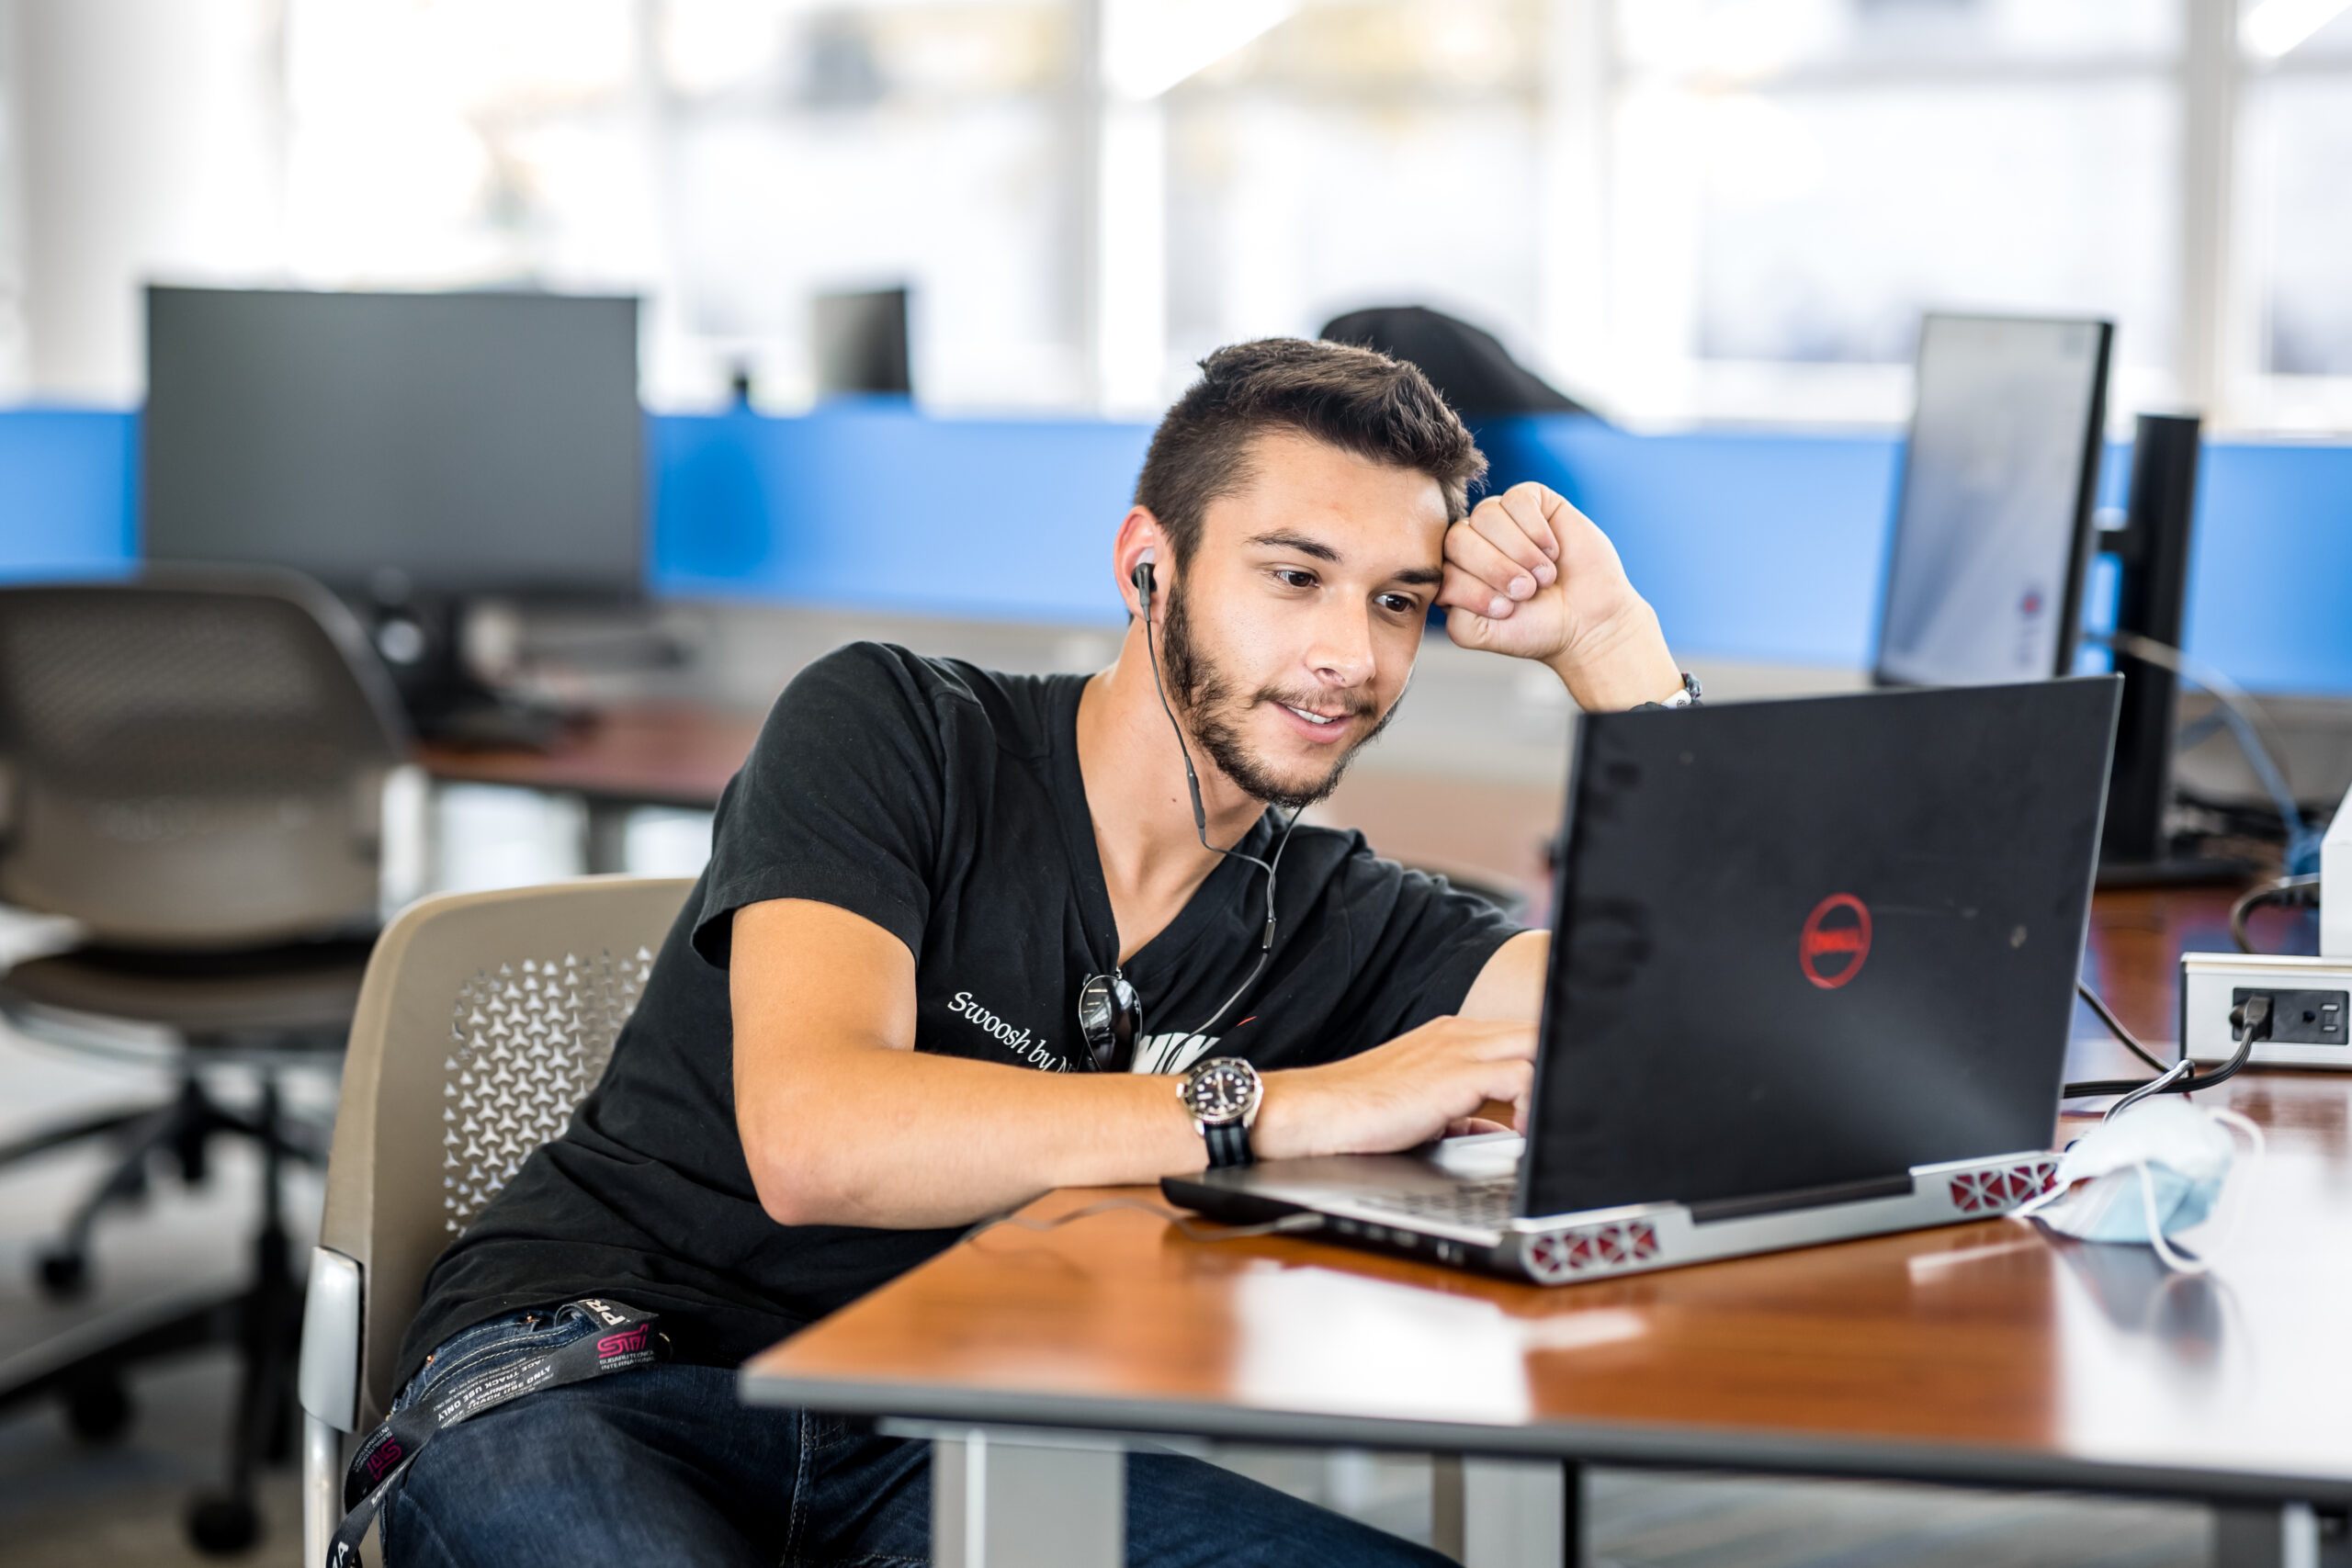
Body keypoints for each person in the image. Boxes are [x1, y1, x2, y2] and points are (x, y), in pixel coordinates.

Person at [377, 337, 1689, 1567]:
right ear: (1148, 566)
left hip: (939, 1439)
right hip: (594, 1372)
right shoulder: (894, 727)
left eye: (1396, 602)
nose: (1347, 654)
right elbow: (817, 1142)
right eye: (1293, 577)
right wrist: (1276, 1109)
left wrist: (1614, 650)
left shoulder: (1353, 919)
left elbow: (1698, 1023)